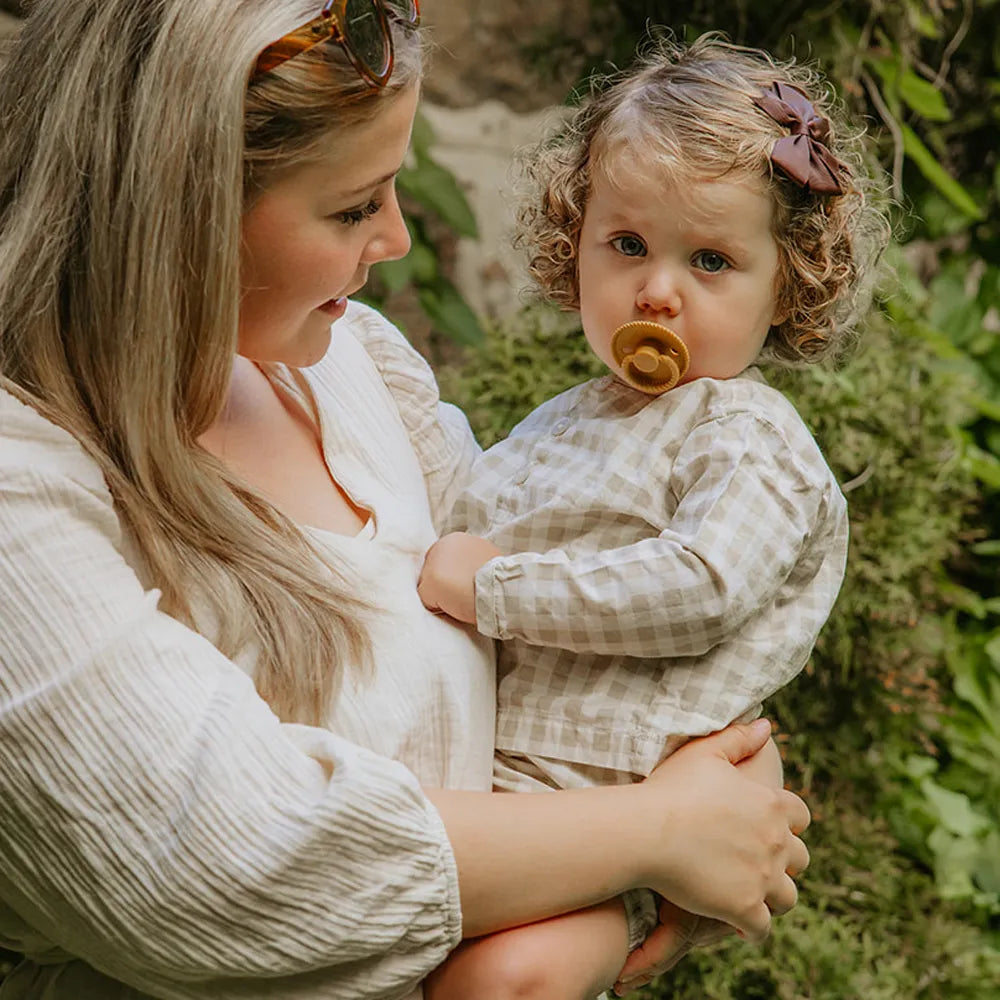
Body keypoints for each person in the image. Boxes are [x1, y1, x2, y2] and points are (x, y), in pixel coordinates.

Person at [0, 5, 811, 999]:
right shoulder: (23, 483)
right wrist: (657, 835)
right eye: (352, 209)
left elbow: (571, 612)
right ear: (177, 209)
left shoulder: (351, 364)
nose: (395, 237)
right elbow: (224, 872)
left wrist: (723, 769)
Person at [418, 33, 888, 1000]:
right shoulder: (561, 422)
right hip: (495, 784)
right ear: (575, 237)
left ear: (789, 282)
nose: (657, 290)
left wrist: (493, 588)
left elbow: (699, 589)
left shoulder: (747, 434)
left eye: (710, 260)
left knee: (505, 981)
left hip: (620, 799)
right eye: (627, 244)